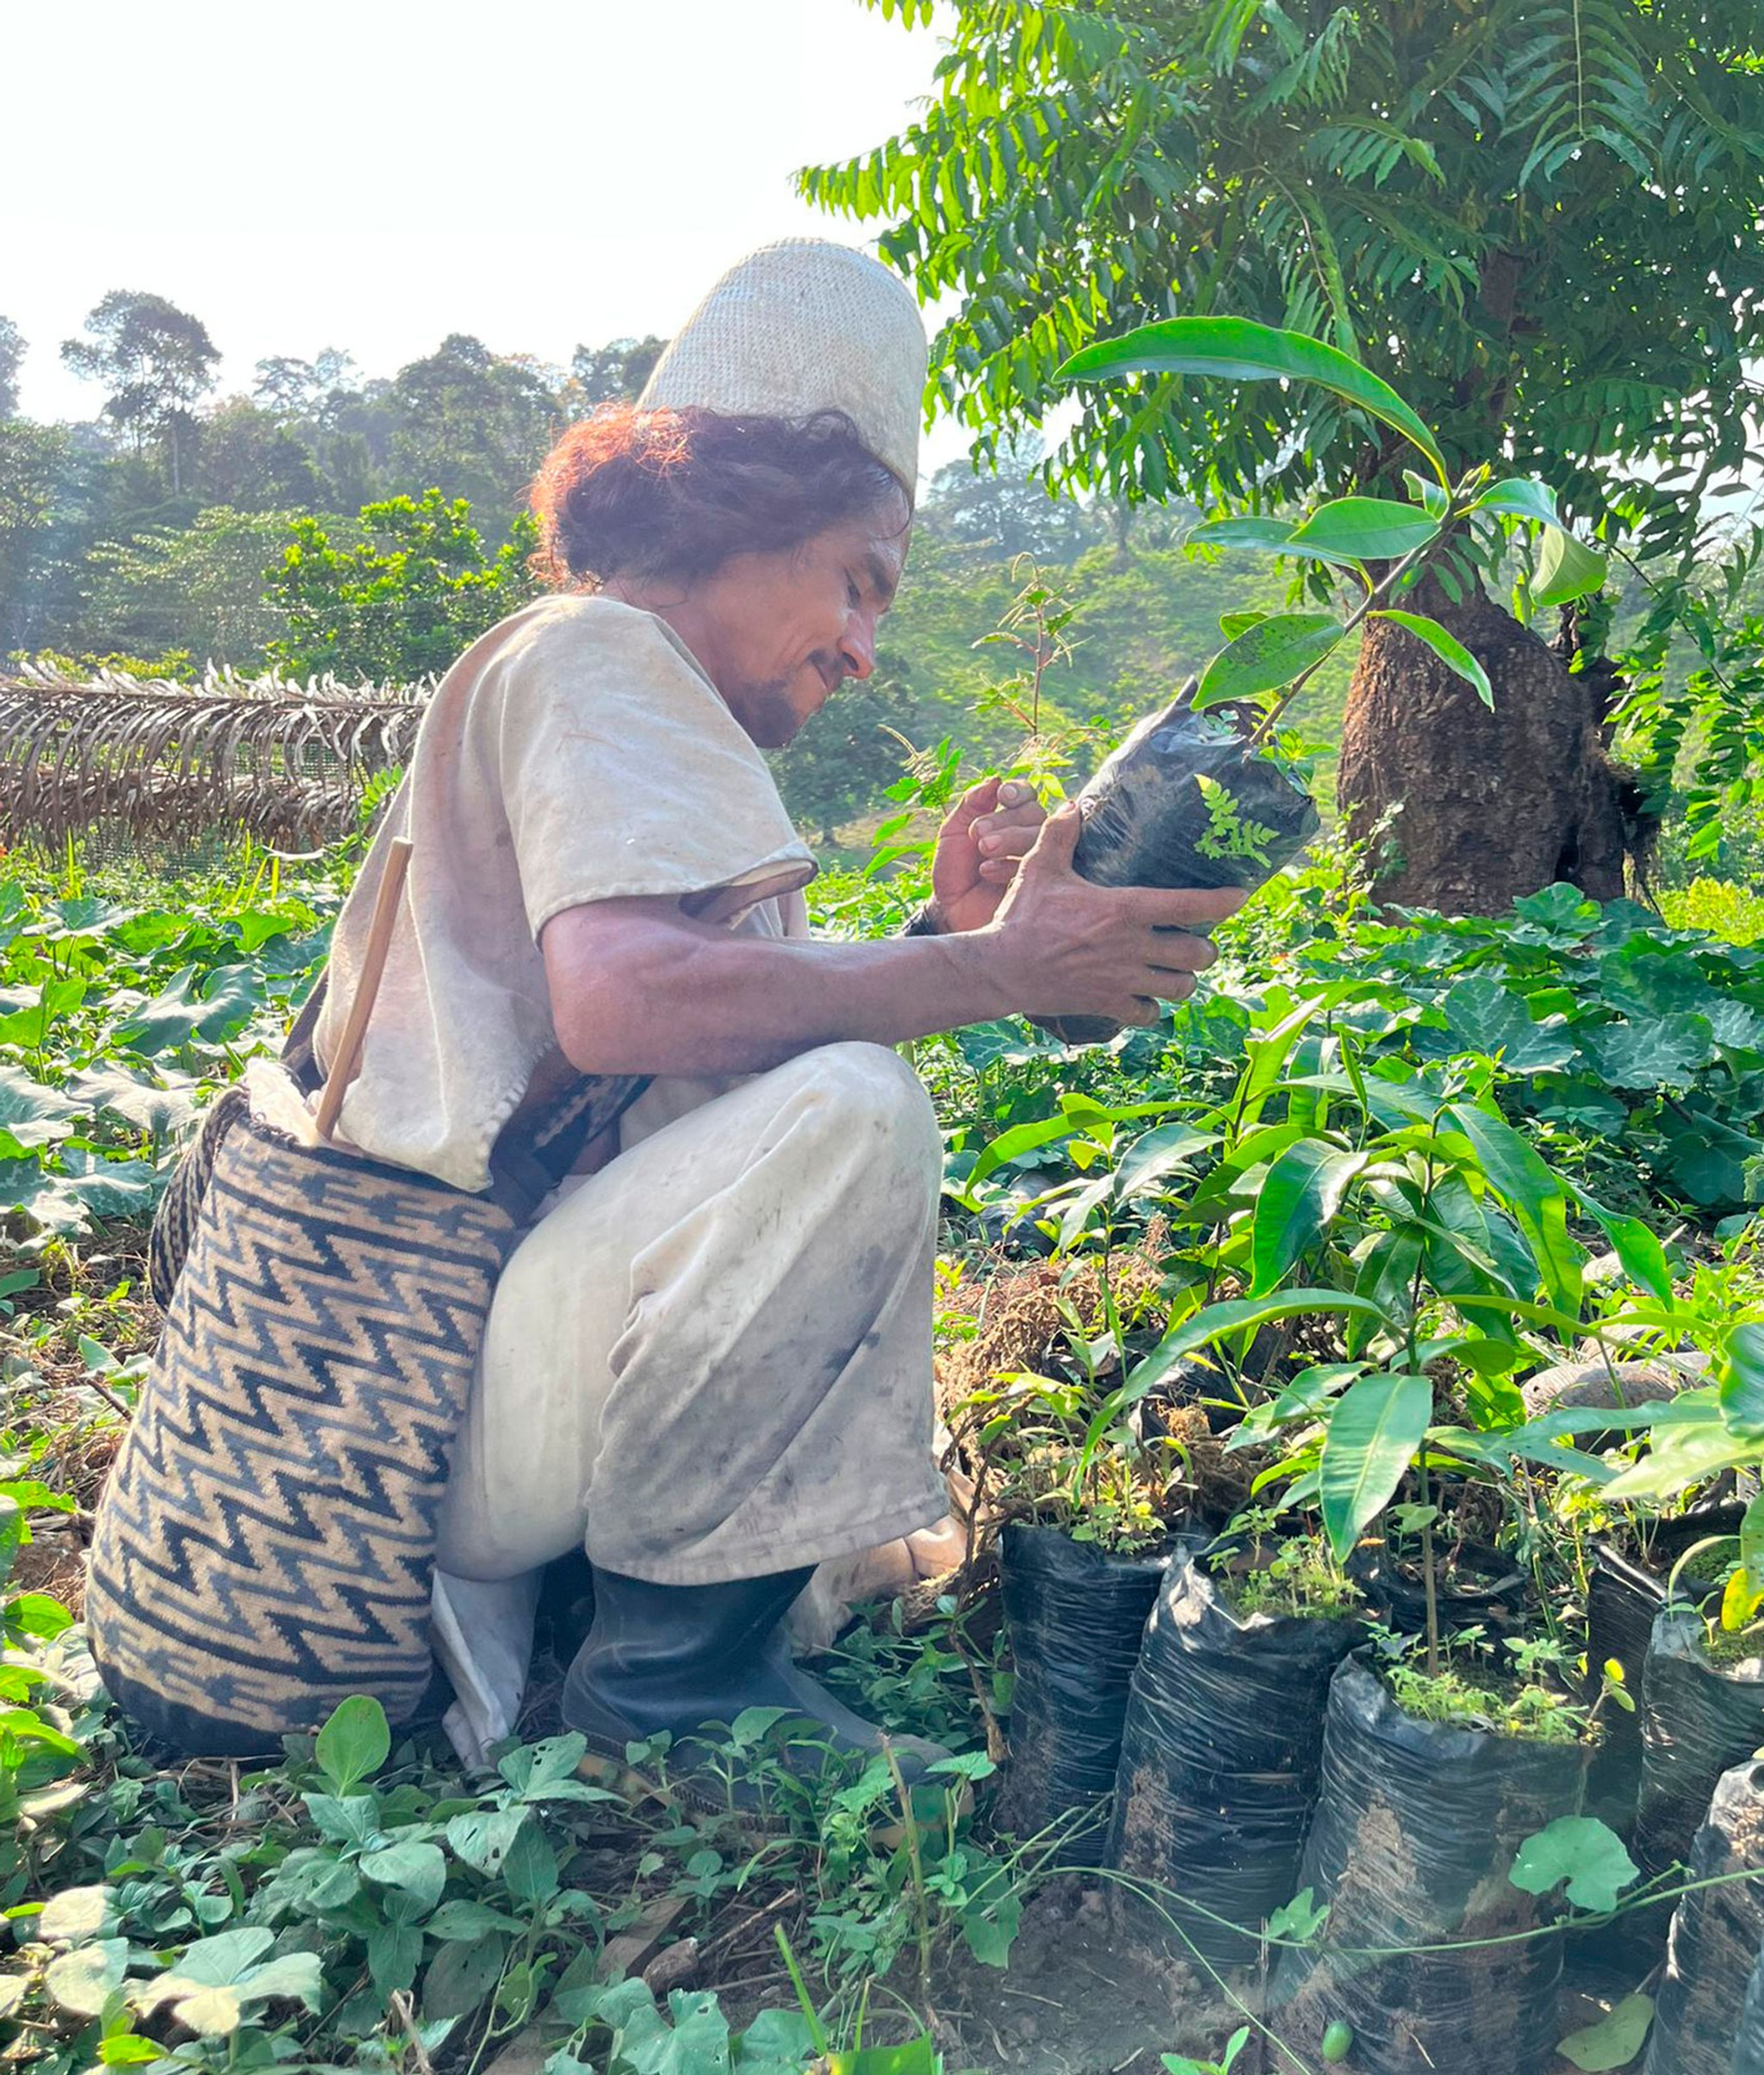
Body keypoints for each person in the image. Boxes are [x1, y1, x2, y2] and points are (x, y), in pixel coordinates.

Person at [125, 241, 1241, 1789]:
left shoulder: (628, 699)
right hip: (426, 1389)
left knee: (838, 1100)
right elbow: (624, 1002)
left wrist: (938, 942)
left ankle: (659, 1625)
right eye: (857, 581)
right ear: (737, 510)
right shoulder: (602, 652)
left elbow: (703, 1069)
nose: (865, 647)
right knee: (861, 1110)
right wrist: (996, 971)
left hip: (450, 1368)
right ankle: (673, 1684)